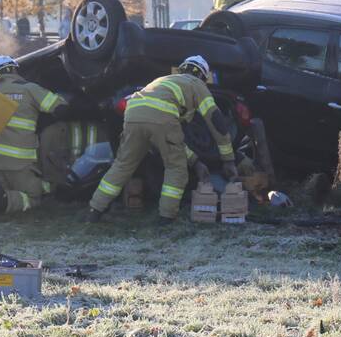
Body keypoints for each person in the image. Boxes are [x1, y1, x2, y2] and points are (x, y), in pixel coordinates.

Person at [86, 55, 236, 224]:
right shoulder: (196, 85)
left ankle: (95, 210)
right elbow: (216, 121)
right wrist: (228, 160)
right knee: (176, 168)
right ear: (202, 76)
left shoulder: (162, 80)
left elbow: (173, 140)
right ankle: (166, 217)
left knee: (122, 165)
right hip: (162, 117)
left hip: (134, 113)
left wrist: (195, 161)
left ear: (181, 68)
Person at [0, 56, 69, 214]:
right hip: (19, 164)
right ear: (14, 69)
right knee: (33, 197)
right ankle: (4, 201)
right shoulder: (28, 88)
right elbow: (60, 108)